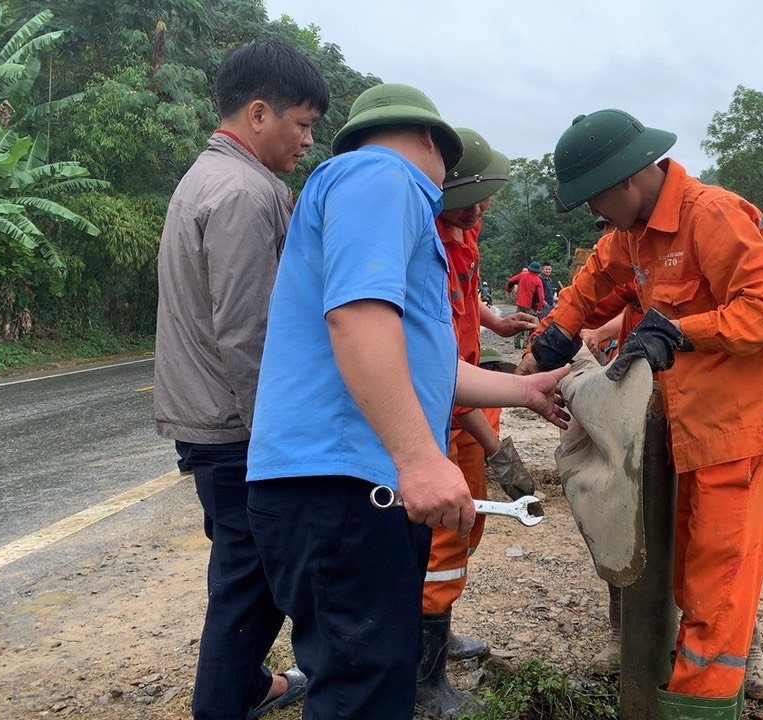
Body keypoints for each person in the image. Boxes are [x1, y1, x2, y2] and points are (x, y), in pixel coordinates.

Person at [243, 83, 570, 720]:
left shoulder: (376, 193)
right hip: (343, 488)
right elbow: (359, 319)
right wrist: (421, 458)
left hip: (337, 489)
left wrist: (524, 391)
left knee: (368, 678)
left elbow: (421, 366)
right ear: (429, 140)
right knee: (362, 691)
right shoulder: (382, 176)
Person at [518, 109, 763, 719]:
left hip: (739, 430)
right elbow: (594, 283)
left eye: (596, 200)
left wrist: (679, 332)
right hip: (687, 430)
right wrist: (553, 340)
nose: (596, 214)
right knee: (686, 573)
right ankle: (690, 682)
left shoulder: (713, 216)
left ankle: (703, 703)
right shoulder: (632, 235)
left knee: (717, 590)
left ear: (626, 180)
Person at [153, 39, 325, 720]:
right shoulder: (247, 194)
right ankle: (223, 704)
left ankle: (248, 685)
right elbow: (249, 331)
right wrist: (281, 439)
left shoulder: (204, 177)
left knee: (242, 571)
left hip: (210, 420)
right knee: (250, 586)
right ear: (260, 114)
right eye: (303, 124)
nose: (307, 141)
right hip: (238, 429)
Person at [421, 127, 539, 716]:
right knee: (442, 538)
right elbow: (438, 371)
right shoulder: (426, 247)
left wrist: (495, 323)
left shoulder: (463, 235)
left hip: (467, 401)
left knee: (467, 526)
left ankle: (437, 634)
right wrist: (498, 447)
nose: (486, 208)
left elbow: (468, 302)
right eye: (480, 197)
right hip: (444, 414)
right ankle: (423, 677)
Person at [505, 262, 546, 347]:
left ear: (530, 268)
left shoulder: (522, 275)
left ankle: (516, 344)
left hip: (520, 304)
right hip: (531, 307)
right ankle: (525, 345)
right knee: (529, 325)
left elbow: (511, 281)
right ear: (538, 271)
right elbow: (540, 296)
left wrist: (508, 290)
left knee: (518, 323)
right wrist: (540, 308)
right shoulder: (538, 280)